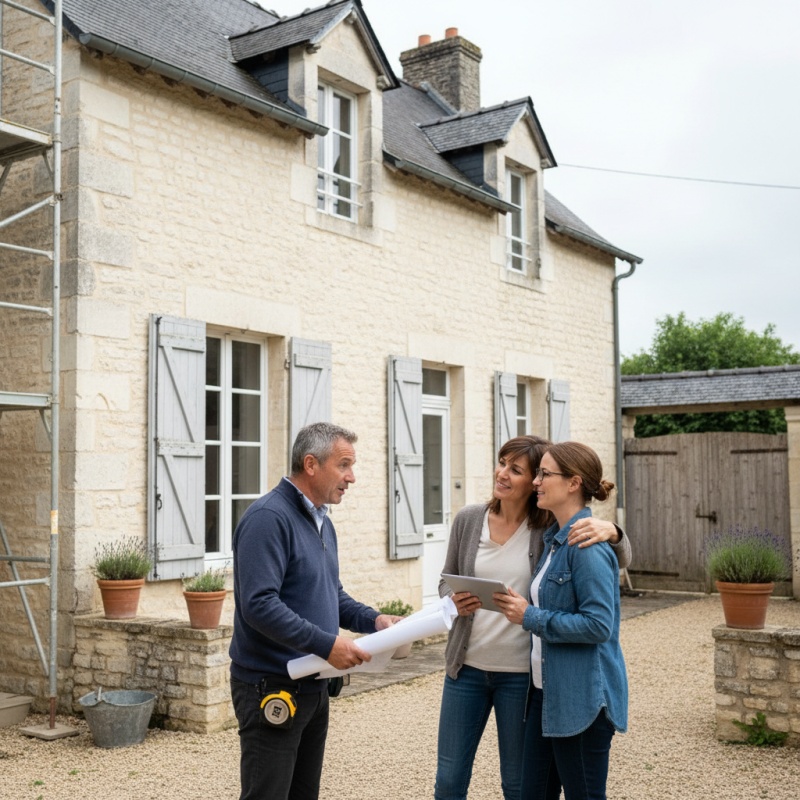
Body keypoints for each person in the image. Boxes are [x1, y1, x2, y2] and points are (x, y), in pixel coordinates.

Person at [435, 436, 631, 800]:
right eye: (502, 463)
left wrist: (615, 531)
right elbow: (446, 580)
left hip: (522, 680)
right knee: (449, 782)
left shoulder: (550, 531)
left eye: (520, 470)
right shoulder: (469, 520)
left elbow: (604, 566)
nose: (503, 473)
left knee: (518, 785)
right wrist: (453, 599)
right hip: (467, 669)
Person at [229, 422, 401, 800]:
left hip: (313, 683)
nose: (351, 477)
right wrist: (327, 645)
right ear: (311, 464)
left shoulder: (321, 519)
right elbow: (258, 605)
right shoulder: (268, 519)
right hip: (271, 686)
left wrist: (373, 620)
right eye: (344, 465)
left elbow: (330, 593)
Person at [494, 441, 628, 800]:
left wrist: (530, 616)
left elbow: (599, 626)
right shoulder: (556, 538)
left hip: (582, 701)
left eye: (544, 474)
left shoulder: (588, 545)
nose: (536, 481)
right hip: (545, 696)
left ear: (573, 483)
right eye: (536, 473)